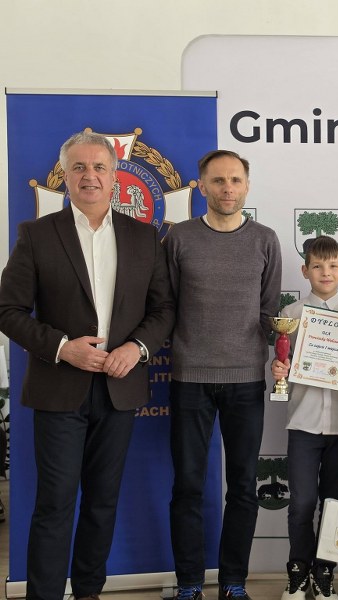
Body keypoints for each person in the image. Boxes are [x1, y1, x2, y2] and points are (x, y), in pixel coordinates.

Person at [0, 131, 175, 600]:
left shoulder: (144, 237)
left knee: (102, 502)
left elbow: (163, 310)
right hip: (59, 387)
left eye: (99, 167)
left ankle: (89, 593)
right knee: (55, 503)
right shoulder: (36, 235)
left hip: (120, 388)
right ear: (65, 176)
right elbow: (8, 311)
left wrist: (136, 349)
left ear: (115, 176)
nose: (89, 176)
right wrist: (63, 347)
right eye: (79, 167)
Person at [164, 149, 282, 600]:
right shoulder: (179, 238)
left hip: (246, 380)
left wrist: (288, 349)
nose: (227, 188)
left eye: (235, 180)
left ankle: (233, 582)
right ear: (202, 186)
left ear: (247, 186)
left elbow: (269, 312)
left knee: (244, 487)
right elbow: (167, 306)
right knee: (188, 486)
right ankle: (189, 584)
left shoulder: (266, 240)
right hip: (189, 379)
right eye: (218, 180)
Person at [271, 235, 338, 600]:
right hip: (303, 423)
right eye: (317, 266)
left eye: (333, 266)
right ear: (305, 271)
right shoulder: (290, 315)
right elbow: (283, 361)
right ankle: (298, 571)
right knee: (301, 503)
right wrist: (280, 369)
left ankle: (324, 572)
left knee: (333, 504)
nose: (325, 272)